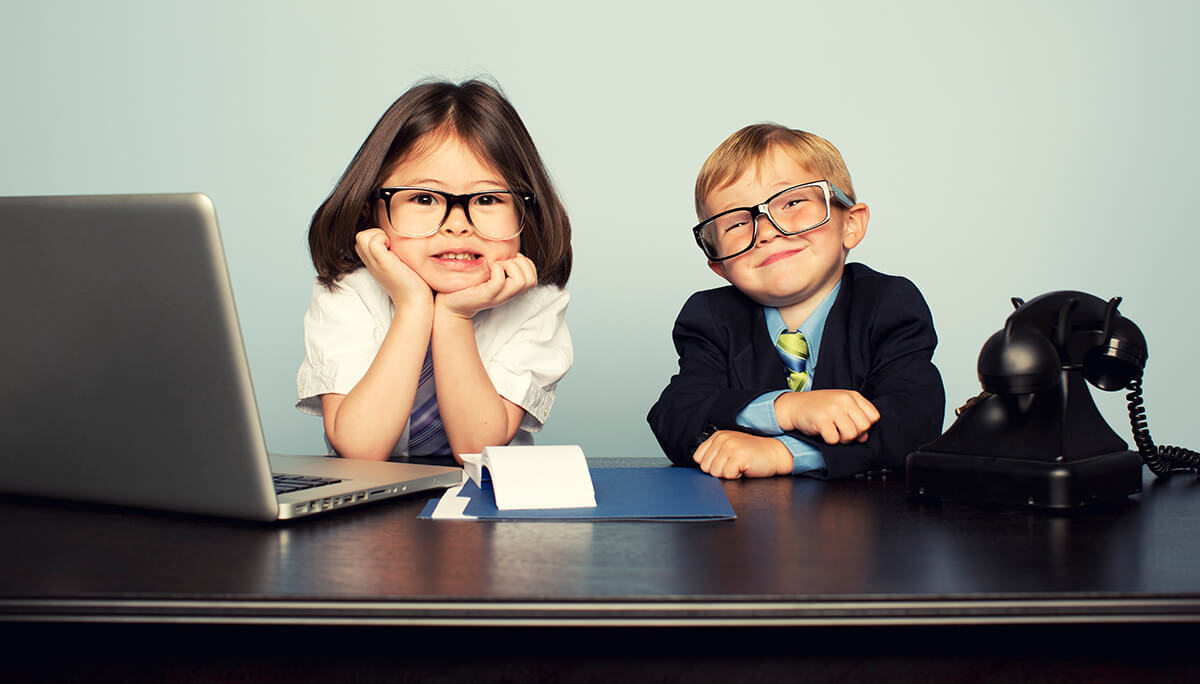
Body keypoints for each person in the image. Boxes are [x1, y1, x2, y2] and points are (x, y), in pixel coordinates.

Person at [297, 79, 573, 465]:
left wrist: (454, 316)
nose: (457, 224)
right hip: (371, 512)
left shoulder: (535, 304)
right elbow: (361, 448)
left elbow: (477, 451)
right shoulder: (348, 293)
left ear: (526, 213)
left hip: (486, 507)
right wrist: (412, 306)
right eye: (424, 198)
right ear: (371, 209)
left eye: (488, 198)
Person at [647, 123, 944, 479]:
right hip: (747, 526)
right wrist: (785, 408)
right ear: (719, 265)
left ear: (851, 224)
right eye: (736, 224)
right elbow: (676, 414)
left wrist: (784, 452)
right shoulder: (711, 318)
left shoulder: (888, 304)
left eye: (792, 202)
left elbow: (914, 424)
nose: (767, 231)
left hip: (867, 523)